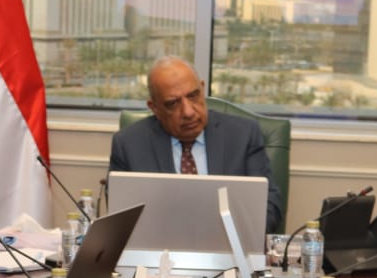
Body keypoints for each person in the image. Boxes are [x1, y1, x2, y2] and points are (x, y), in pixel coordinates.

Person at [109, 56, 284, 234]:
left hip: (229, 245)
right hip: (158, 248)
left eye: (193, 96)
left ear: (202, 88)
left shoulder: (243, 135)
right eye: (172, 103)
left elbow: (270, 207)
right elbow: (121, 220)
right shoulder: (128, 145)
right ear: (154, 107)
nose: (188, 112)